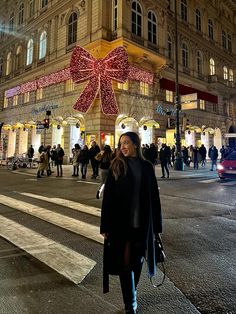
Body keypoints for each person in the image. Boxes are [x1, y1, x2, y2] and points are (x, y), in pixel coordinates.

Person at [100, 132, 162, 313]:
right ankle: (130, 304)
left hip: (142, 225)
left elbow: (154, 199)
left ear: (136, 144)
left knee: (137, 262)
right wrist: (105, 226)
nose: (123, 147)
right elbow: (108, 199)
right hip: (121, 226)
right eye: (121, 144)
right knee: (125, 264)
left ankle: (131, 292)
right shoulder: (116, 166)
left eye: (126, 143)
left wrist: (157, 227)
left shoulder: (147, 167)